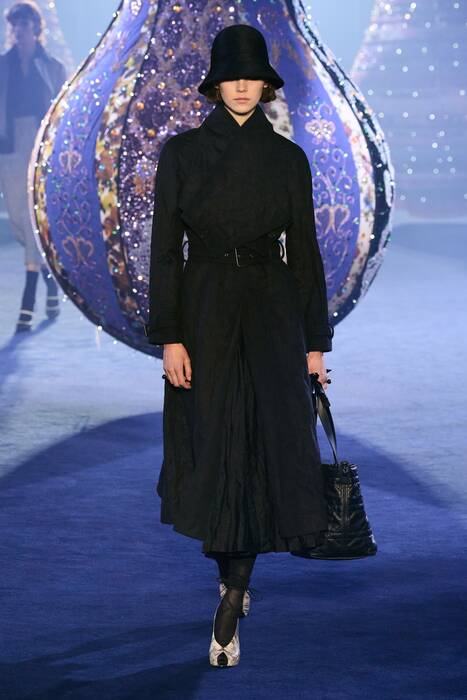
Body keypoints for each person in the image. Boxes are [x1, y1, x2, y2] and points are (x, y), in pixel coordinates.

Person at [144, 24, 334, 668]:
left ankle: (232, 593)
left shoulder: (288, 160)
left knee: (264, 441)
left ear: (267, 84)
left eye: (253, 76)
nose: (243, 86)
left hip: (273, 313)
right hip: (203, 312)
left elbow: (304, 256)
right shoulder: (183, 154)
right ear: (215, 84)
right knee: (214, 440)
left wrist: (315, 344)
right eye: (232, 76)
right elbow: (164, 251)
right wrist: (169, 335)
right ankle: (230, 573)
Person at [0, 1, 66, 332]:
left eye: (23, 25)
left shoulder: (52, 66)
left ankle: (27, 300)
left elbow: (61, 112)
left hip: (40, 148)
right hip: (10, 146)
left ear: (36, 29)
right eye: (14, 26)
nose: (18, 31)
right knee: (17, 218)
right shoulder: (3, 66)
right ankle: (51, 282)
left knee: (31, 217)